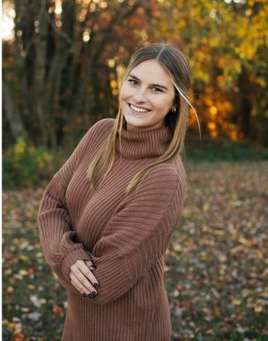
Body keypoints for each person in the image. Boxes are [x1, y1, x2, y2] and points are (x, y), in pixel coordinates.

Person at [38, 43, 197, 341]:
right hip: (78, 326)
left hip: (128, 329)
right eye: (134, 82)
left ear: (175, 101)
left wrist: (60, 254)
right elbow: (51, 203)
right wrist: (67, 256)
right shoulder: (101, 133)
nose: (138, 97)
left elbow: (102, 283)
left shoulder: (164, 176)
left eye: (157, 89)